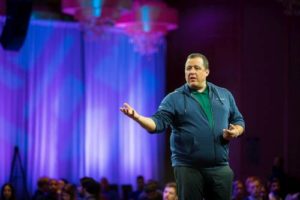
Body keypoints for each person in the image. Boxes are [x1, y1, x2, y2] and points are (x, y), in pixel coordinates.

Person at [120, 53, 245, 200]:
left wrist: (235, 131)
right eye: (188, 68)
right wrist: (137, 117)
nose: (191, 72)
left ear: (206, 72)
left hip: (219, 166)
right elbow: (156, 124)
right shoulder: (174, 98)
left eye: (196, 68)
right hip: (188, 167)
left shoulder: (224, 95)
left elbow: (238, 120)